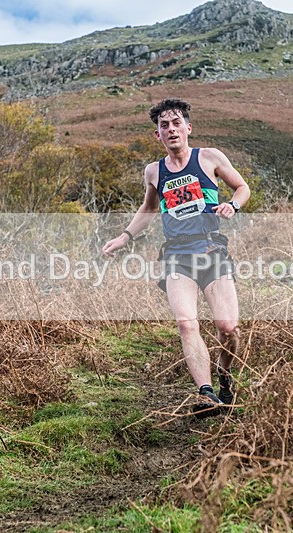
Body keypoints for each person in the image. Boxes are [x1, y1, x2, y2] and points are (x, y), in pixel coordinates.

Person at [102, 98, 250, 418]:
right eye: (164, 126)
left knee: (228, 328)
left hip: (211, 251)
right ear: (157, 135)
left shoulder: (209, 157)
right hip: (177, 256)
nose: (171, 130)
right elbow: (148, 209)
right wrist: (124, 237)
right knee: (185, 323)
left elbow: (242, 187)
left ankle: (224, 375)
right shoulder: (154, 171)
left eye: (176, 123)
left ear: (188, 128)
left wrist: (232, 205)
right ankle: (206, 393)